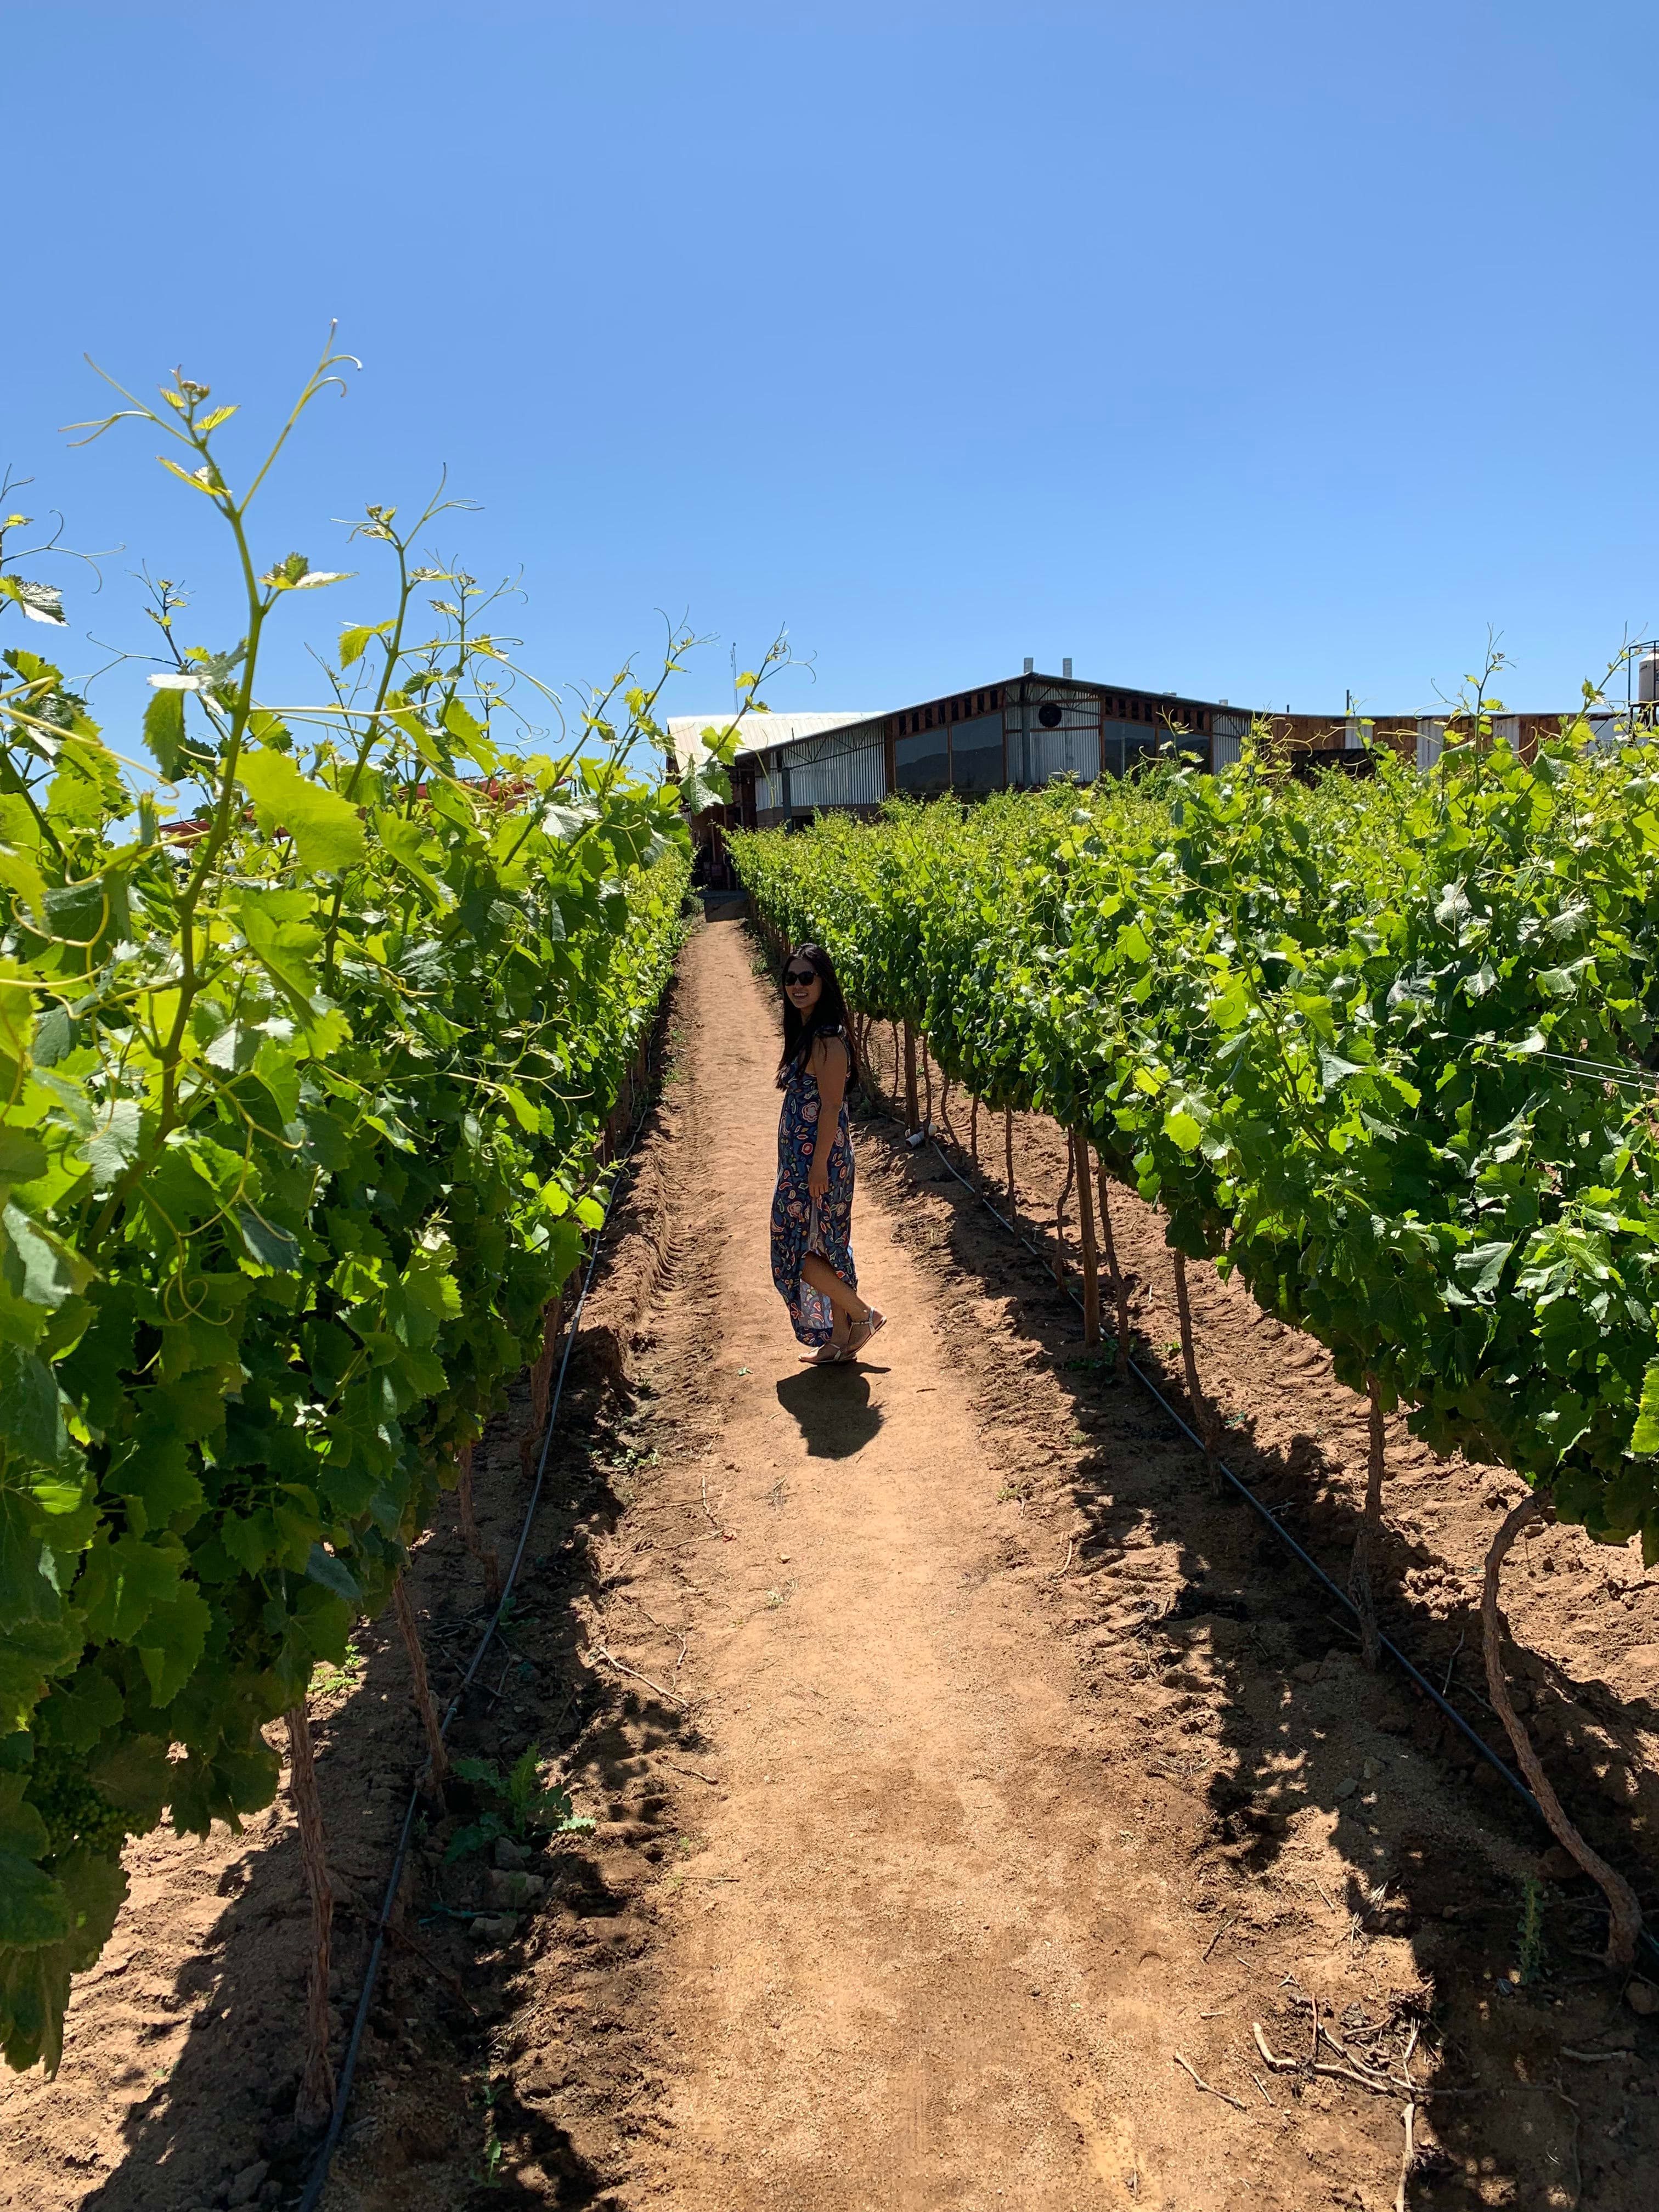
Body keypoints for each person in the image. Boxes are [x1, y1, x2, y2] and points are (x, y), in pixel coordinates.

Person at [770, 944, 887, 1364]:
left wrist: (818, 1165)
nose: (797, 986)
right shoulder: (807, 1033)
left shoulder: (828, 1041)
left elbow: (832, 1108)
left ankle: (862, 1314)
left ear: (824, 982)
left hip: (820, 1164)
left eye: (807, 978)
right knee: (823, 1248)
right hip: (800, 1164)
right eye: (791, 978)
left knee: (796, 1250)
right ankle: (840, 1340)